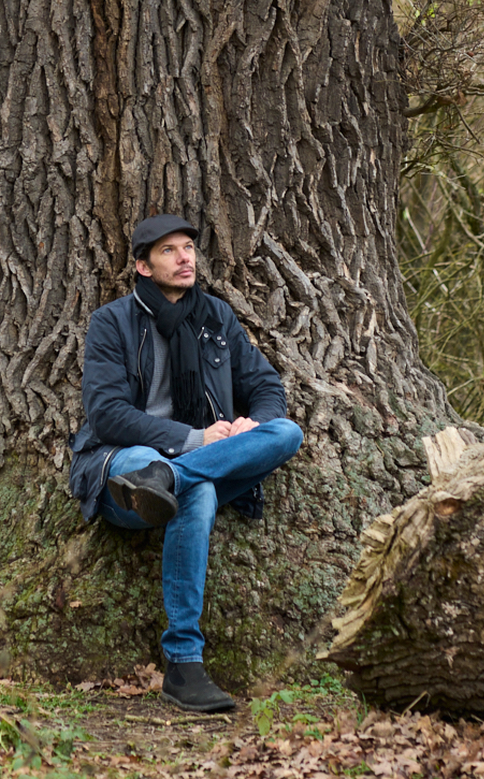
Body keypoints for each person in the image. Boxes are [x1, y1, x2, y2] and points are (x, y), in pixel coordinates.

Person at [67, 213, 305, 713]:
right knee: (190, 488)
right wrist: (193, 439)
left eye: (189, 249)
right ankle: (184, 663)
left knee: (285, 431)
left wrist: (250, 424)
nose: (185, 258)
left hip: (184, 468)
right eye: (170, 251)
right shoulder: (112, 323)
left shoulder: (216, 317)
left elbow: (266, 387)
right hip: (126, 467)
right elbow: (107, 414)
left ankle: (168, 480)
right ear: (143, 266)